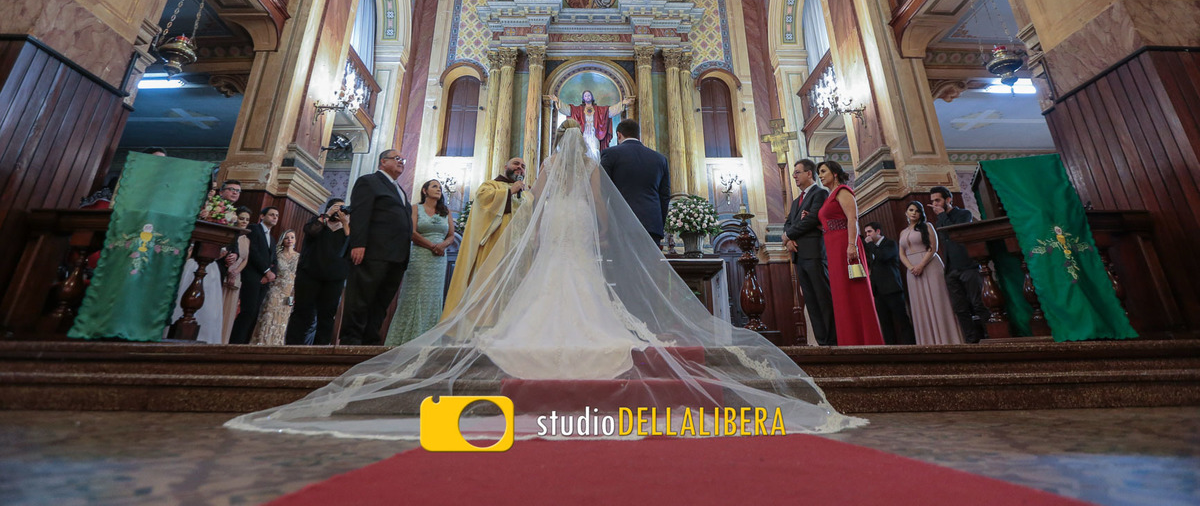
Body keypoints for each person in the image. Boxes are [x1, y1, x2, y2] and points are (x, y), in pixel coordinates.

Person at [227, 127, 863, 441]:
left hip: (558, 257)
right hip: (592, 254)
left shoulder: (554, 194)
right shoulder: (602, 186)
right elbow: (601, 230)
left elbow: (534, 238)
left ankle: (519, 338)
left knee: (539, 307)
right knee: (603, 307)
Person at [340, 150, 414, 345]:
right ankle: (351, 342)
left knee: (381, 303)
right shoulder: (369, 182)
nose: (401, 162)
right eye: (397, 158)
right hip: (373, 252)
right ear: (383, 162)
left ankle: (370, 342)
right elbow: (361, 214)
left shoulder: (399, 189)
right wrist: (358, 244)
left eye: (402, 159)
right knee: (360, 299)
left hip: (396, 257)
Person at [442, 156, 527, 319]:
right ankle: (483, 323)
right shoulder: (490, 185)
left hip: (516, 250)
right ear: (505, 166)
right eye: (516, 164)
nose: (520, 167)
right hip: (493, 247)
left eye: (523, 166)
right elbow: (483, 201)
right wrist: (510, 192)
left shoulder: (525, 193)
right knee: (488, 284)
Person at [816, 160, 883, 346]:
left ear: (835, 173)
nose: (820, 175)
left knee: (854, 291)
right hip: (833, 247)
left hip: (845, 244)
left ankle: (867, 340)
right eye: (819, 172)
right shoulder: (829, 196)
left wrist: (851, 245)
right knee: (841, 294)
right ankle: (849, 340)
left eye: (823, 171)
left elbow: (852, 219)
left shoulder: (842, 191)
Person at [386, 180, 455, 346]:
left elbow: (451, 235)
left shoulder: (445, 211)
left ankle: (429, 342)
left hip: (438, 259)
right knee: (414, 295)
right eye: (434, 186)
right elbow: (412, 231)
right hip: (420, 255)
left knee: (433, 298)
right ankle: (403, 342)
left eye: (439, 187)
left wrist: (442, 246)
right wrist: (431, 245)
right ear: (424, 191)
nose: (438, 189)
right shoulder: (415, 208)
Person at [782, 159, 836, 346]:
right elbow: (788, 223)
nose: (795, 176)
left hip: (814, 253)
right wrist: (788, 240)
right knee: (811, 302)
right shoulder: (797, 201)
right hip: (800, 256)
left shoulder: (819, 193)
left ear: (808, 173)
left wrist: (789, 235)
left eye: (797, 172)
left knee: (823, 298)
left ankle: (832, 341)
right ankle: (822, 342)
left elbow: (812, 219)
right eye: (794, 173)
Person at [285, 198, 351, 346]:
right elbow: (311, 231)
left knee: (327, 316)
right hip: (310, 274)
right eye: (336, 208)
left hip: (334, 278)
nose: (339, 211)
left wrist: (346, 223)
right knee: (302, 312)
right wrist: (327, 215)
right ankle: (292, 348)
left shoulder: (348, 228)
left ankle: (320, 350)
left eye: (343, 208)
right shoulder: (318, 221)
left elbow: (351, 247)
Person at [899, 201, 964, 345]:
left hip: (930, 266)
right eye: (911, 210)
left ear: (921, 213)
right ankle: (928, 342)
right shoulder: (903, 232)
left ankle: (949, 340)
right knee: (920, 305)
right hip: (912, 271)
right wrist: (911, 267)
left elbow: (933, 248)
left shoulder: (927, 226)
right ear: (906, 212)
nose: (914, 213)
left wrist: (921, 265)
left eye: (917, 210)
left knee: (938, 300)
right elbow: (901, 253)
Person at [930, 186, 987, 343]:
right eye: (933, 201)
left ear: (948, 200)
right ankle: (971, 341)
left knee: (978, 303)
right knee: (960, 308)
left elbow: (954, 234)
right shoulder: (940, 219)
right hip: (951, 269)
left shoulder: (963, 214)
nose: (935, 204)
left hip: (968, 265)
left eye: (938, 200)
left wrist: (942, 215)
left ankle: (990, 337)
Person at [599, 119, 670, 245]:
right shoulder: (660, 159)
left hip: (619, 224)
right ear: (638, 135)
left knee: (621, 265)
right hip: (651, 224)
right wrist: (658, 224)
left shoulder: (610, 154)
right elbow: (664, 197)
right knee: (649, 264)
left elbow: (602, 190)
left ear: (618, 134)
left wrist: (602, 226)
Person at [229, 205, 279, 344]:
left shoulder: (272, 239)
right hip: (252, 276)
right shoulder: (254, 229)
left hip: (264, 280)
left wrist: (272, 273)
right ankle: (235, 343)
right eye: (271, 214)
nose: (275, 217)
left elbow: (274, 259)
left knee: (255, 314)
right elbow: (254, 252)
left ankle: (245, 344)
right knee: (247, 312)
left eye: (276, 216)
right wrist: (266, 271)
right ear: (262, 216)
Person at [862, 222, 915, 345]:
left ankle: (910, 346)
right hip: (878, 292)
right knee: (885, 324)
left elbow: (883, 256)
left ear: (878, 231)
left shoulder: (889, 244)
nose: (867, 235)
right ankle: (891, 349)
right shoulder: (871, 248)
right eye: (866, 233)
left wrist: (870, 245)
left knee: (902, 320)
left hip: (892, 289)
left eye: (869, 231)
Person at [549, 90, 633, 158]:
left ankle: (595, 171)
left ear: (592, 97)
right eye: (585, 95)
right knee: (581, 153)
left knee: (595, 152)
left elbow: (610, 111)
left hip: (594, 134)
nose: (587, 97)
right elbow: (568, 110)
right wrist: (557, 101)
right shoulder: (578, 110)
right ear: (583, 98)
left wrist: (622, 103)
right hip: (583, 135)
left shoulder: (599, 110)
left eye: (589, 95)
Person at [251, 229, 299, 346]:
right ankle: (262, 342)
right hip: (275, 289)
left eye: (292, 237)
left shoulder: (299, 257)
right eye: (287, 237)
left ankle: (276, 345)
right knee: (268, 316)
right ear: (283, 240)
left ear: (295, 240)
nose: (289, 240)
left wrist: (294, 296)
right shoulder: (277, 255)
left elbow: (299, 278)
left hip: (289, 292)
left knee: (283, 320)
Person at [221, 207, 252, 344]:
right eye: (241, 218)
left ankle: (224, 339)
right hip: (224, 271)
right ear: (236, 219)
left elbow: (245, 259)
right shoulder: (229, 234)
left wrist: (236, 271)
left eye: (247, 219)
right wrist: (229, 268)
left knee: (231, 309)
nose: (244, 221)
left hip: (237, 273)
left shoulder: (247, 239)